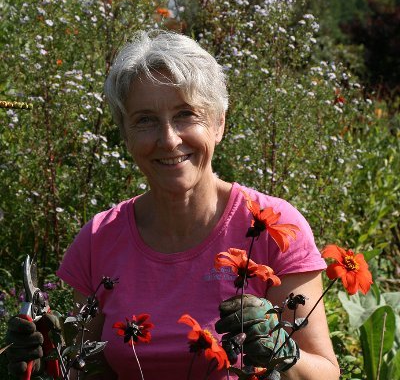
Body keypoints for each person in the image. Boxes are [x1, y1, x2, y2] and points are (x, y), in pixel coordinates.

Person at [7, 30, 340, 380]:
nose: (168, 139)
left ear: (219, 123)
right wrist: (43, 360)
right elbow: (85, 369)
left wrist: (283, 356)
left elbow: (326, 373)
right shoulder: (99, 238)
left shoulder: (272, 226)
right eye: (145, 120)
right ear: (125, 133)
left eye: (185, 114)